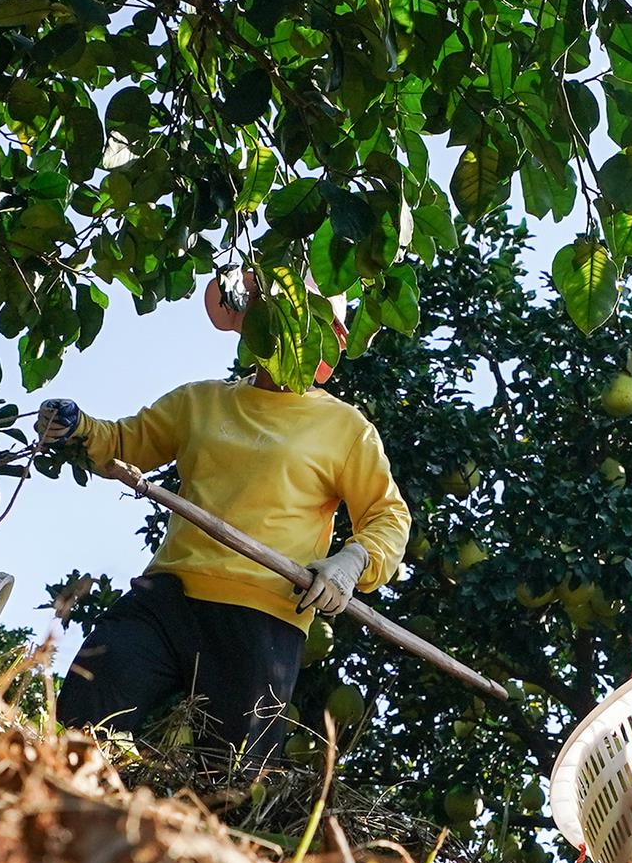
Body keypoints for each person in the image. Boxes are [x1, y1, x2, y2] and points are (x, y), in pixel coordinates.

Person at [40, 274, 414, 765]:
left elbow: (388, 515)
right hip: (166, 599)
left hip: (262, 620)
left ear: (329, 339)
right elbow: (125, 442)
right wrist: (77, 427)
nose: (285, 333)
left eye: (303, 323)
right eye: (273, 317)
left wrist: (352, 560)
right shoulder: (201, 401)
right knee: (82, 719)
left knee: (236, 776)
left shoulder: (345, 428)